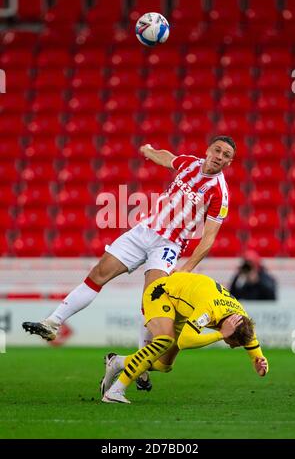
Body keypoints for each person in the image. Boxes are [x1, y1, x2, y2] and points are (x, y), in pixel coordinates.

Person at [22, 136, 236, 390]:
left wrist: (186, 268)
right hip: (142, 232)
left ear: (229, 162)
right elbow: (169, 158)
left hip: (168, 246)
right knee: (98, 274)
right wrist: (149, 151)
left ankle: (141, 366)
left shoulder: (219, 192)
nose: (219, 157)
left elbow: (209, 239)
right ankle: (52, 324)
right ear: (208, 150)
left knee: (153, 302)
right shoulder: (189, 163)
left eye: (226, 155)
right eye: (217, 150)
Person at [101, 272, 269, 404]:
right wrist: (220, 335)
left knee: (162, 365)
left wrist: (259, 360)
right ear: (229, 330)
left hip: (183, 307)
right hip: (161, 293)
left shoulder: (240, 317)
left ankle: (117, 362)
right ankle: (115, 391)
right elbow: (185, 341)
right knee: (164, 340)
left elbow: (251, 338)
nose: (232, 347)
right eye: (233, 343)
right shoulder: (208, 310)